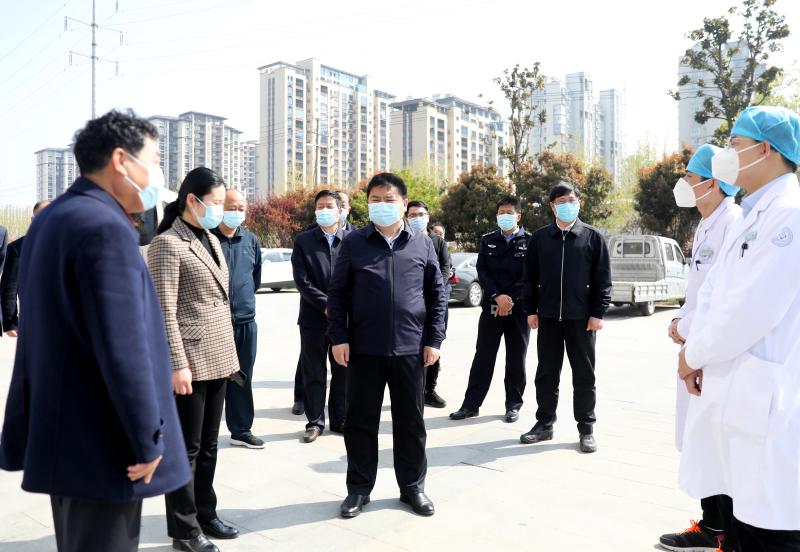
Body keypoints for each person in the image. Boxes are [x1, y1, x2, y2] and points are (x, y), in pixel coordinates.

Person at [0, 110, 191, 552]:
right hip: (106, 444)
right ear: (121, 160)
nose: (157, 174)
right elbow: (124, 348)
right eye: (154, 160)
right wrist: (148, 439)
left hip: (65, 433)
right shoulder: (106, 227)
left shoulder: (54, 217)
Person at [677, 106, 800, 551]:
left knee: (770, 528)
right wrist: (696, 346)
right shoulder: (755, 213)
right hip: (736, 393)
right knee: (742, 520)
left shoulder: (788, 216)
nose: (727, 156)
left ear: (765, 150)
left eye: (735, 145)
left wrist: (692, 353)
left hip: (767, 401)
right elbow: (715, 292)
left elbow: (750, 311)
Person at [328, 172, 447, 519]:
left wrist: (434, 339)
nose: (382, 205)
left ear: (404, 204)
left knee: (411, 423)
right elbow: (338, 294)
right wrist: (339, 337)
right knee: (360, 422)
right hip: (364, 349)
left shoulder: (422, 242)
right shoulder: (354, 242)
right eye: (375, 200)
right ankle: (358, 489)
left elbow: (437, 295)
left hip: (411, 349)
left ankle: (412, 488)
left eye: (389, 199)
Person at [149, 167, 241, 552]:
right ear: (192, 200)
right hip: (189, 361)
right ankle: (184, 530)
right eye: (216, 202)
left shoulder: (211, 238)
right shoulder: (168, 244)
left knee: (209, 445)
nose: (221, 210)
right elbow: (163, 311)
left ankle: (206, 512)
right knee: (185, 449)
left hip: (219, 356)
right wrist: (177, 364)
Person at [657, 145, 742, 552]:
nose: (684, 183)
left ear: (713, 182)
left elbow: (726, 295)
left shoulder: (733, 222)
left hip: (714, 350)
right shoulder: (707, 224)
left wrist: (687, 327)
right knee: (702, 439)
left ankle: (724, 531)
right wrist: (680, 321)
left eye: (690, 176)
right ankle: (712, 525)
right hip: (696, 343)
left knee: (719, 444)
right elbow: (697, 292)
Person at [519, 182, 611, 453]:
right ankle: (544, 424)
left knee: (584, 375)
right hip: (547, 317)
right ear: (552, 206)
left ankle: (586, 428)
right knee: (546, 374)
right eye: (561, 202)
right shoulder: (540, 238)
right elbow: (529, 277)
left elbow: (603, 279)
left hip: (581, 320)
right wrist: (531, 310)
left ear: (578, 202)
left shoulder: (592, 237)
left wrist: (597, 313)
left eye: (571, 200)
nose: (567, 205)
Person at [450, 196, 531, 423]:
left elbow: (530, 275)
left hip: (518, 310)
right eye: (501, 212)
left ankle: (513, 405)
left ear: (518, 216)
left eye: (509, 212)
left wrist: (509, 298)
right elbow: (483, 271)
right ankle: (470, 405)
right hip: (491, 309)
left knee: (516, 359)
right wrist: (497, 296)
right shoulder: (488, 240)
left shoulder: (530, 241)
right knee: (483, 357)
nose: (504, 216)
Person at [291, 190, 350, 443]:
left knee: (343, 371)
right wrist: (326, 304)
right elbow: (301, 280)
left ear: (340, 211)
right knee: (314, 371)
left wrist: (341, 307)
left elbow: (359, 277)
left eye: (329, 206)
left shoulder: (352, 240)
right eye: (320, 206)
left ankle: (340, 419)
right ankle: (314, 422)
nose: (324, 210)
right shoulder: (304, 241)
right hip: (313, 319)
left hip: (345, 319)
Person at [211, 189, 264, 450]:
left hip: (245, 322)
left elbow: (255, 279)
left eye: (241, 208)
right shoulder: (208, 239)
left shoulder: (251, 240)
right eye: (231, 207)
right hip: (214, 323)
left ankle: (241, 430)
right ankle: (204, 432)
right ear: (220, 208)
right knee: (212, 380)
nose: (237, 212)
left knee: (242, 377)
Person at [406, 201, 452, 408]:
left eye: (421, 214)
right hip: (412, 304)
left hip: (434, 302)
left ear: (428, 216)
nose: (417, 218)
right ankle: (413, 389)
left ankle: (429, 390)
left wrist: (434, 291)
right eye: (412, 215)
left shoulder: (438, 241)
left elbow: (445, 269)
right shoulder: (404, 239)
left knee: (434, 344)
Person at [0, 200, 50, 337]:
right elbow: (9, 287)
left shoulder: (69, 244)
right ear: (33, 220)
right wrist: (10, 322)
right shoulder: (18, 248)